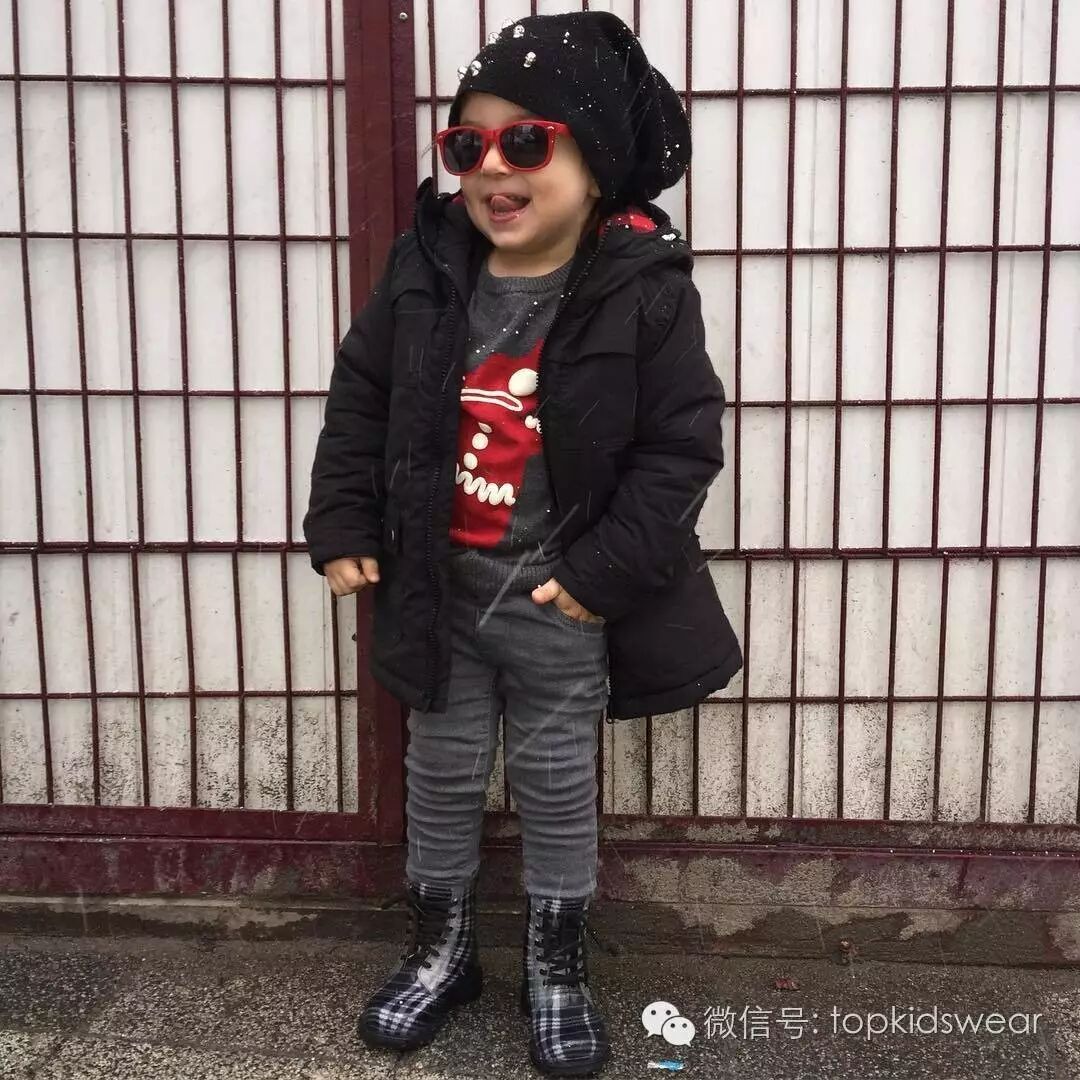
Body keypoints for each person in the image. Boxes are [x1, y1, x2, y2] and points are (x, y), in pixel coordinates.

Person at [302, 11, 742, 1075]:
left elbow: (681, 448)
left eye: (527, 141)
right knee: (442, 772)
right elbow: (362, 399)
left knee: (554, 780)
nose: (493, 167)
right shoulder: (424, 271)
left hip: (559, 600)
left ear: (595, 166)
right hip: (438, 589)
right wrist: (344, 522)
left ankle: (557, 963)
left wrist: (598, 576)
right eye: (468, 144)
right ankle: (442, 950)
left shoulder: (643, 290)